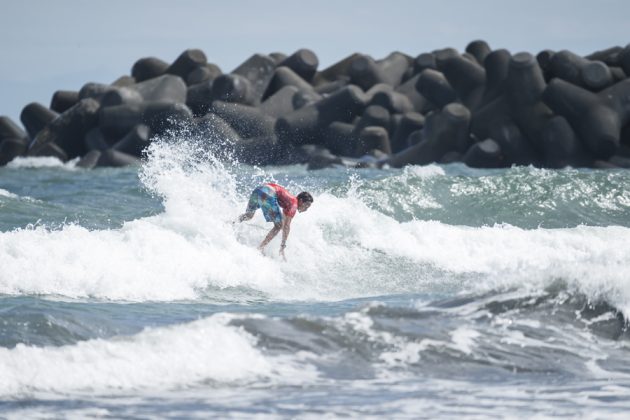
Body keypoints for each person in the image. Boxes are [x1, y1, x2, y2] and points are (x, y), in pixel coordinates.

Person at [237, 183, 313, 259]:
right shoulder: (294, 204)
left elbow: (284, 221)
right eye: (306, 206)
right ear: (301, 200)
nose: (306, 209)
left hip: (259, 189)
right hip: (268, 193)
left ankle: (232, 223)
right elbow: (286, 226)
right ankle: (260, 248)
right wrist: (282, 246)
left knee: (248, 215)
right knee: (278, 226)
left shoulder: (290, 201)